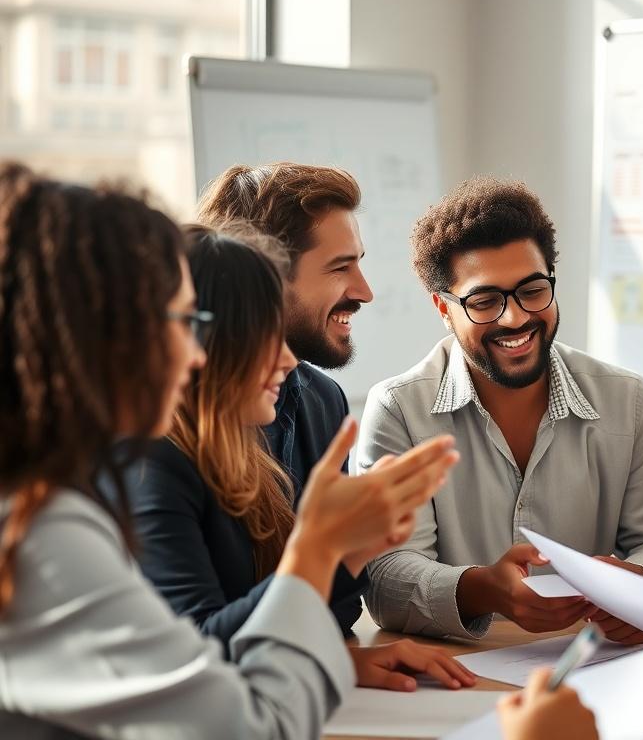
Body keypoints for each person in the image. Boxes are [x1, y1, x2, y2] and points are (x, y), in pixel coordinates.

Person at [0, 162, 458, 738]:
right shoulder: (44, 533)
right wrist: (320, 549)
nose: (194, 353)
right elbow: (247, 727)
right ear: (104, 333)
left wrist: (337, 559)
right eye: (180, 319)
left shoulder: (54, 505)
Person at [124, 225, 475, 692]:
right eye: (264, 335)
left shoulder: (250, 454)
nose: (289, 362)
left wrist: (351, 554)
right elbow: (193, 655)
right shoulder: (151, 463)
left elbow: (317, 615)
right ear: (202, 342)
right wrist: (322, 548)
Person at [358, 176, 643, 643]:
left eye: (532, 290)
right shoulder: (398, 409)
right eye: (485, 301)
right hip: (456, 671)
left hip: (596, 663)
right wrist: (483, 591)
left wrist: (639, 577)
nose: (514, 317)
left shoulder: (626, 399)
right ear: (443, 307)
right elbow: (384, 576)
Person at [196, 162, 373, 634]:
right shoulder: (173, 433)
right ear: (266, 279)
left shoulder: (322, 399)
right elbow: (193, 637)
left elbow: (340, 610)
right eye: (340, 267)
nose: (365, 291)